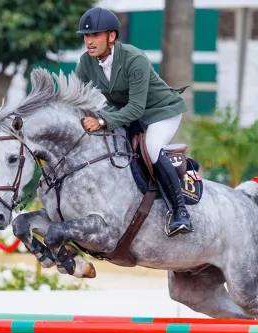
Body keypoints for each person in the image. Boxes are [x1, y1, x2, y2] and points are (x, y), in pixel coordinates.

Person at [73, 6, 193, 236]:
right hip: (125, 113)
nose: (89, 41)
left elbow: (137, 109)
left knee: (152, 147)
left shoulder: (134, 58)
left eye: (95, 35)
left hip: (160, 111)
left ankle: (180, 213)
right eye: (87, 35)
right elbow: (77, 98)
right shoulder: (86, 63)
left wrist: (101, 121)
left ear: (111, 37)